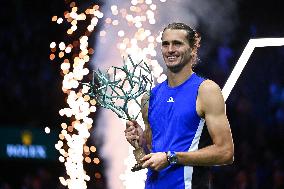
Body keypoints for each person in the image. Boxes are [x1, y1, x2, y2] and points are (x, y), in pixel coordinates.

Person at [125, 22, 234, 189]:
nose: (170, 49)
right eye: (165, 44)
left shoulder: (206, 90)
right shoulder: (150, 97)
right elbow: (152, 157)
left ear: (192, 49)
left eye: (177, 43)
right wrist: (139, 143)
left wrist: (171, 158)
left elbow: (226, 152)